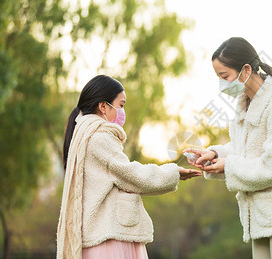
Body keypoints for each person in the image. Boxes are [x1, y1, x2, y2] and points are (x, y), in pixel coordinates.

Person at [184, 37, 272, 259]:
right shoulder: (243, 108)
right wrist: (215, 154)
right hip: (260, 219)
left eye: (224, 76)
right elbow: (243, 151)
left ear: (246, 70)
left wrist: (229, 166)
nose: (221, 83)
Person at [57, 75, 201, 259]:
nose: (123, 111)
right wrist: (173, 172)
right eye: (121, 105)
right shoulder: (100, 138)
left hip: (98, 236)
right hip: (108, 239)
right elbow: (131, 174)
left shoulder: (85, 135)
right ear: (103, 106)